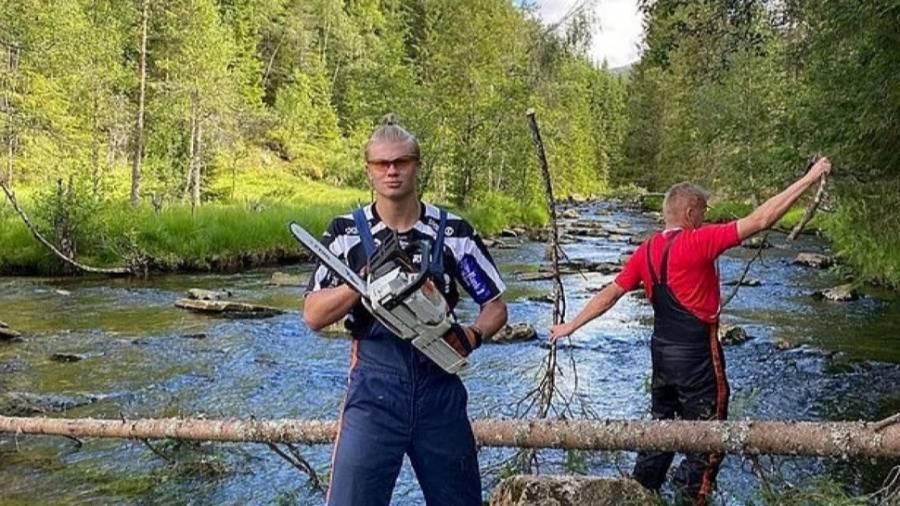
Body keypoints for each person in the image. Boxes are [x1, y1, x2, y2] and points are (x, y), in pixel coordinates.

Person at [549, 158, 833, 504]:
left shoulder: (646, 250)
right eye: (704, 211)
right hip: (697, 359)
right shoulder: (700, 241)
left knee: (659, 434)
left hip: (662, 360)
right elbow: (762, 219)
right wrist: (809, 177)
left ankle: (640, 494)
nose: (706, 217)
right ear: (689, 213)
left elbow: (610, 294)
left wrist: (571, 325)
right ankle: (689, 499)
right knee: (708, 443)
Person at [303, 117, 508, 506]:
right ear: (369, 170)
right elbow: (313, 314)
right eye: (381, 164)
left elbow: (495, 307)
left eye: (401, 161)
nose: (392, 170)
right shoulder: (345, 232)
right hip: (374, 391)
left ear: (417, 165)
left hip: (440, 388)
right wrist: (361, 283)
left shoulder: (453, 233)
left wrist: (472, 335)